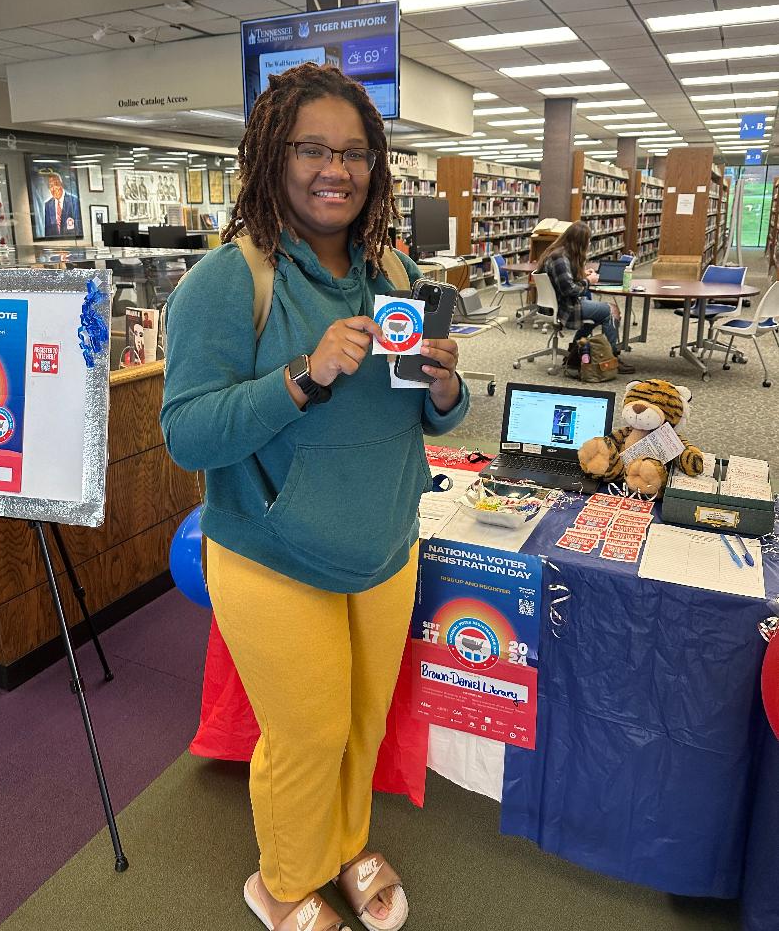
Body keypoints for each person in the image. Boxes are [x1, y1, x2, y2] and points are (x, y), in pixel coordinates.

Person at [161, 62, 469, 931]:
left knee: (362, 724)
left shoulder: (396, 269)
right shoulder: (230, 280)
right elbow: (186, 431)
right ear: (271, 158)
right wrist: (302, 375)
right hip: (271, 551)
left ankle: (344, 843)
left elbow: (428, 417)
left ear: (376, 166)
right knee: (307, 737)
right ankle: (285, 880)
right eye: (312, 150)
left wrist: (445, 391)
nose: (335, 169)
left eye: (355, 152)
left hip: (384, 543)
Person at [536, 220, 635, 375]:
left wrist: (582, 275)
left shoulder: (559, 253)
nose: (589, 243)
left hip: (562, 304)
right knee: (610, 310)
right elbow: (569, 290)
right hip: (567, 307)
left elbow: (565, 282)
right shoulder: (559, 258)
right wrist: (588, 281)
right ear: (579, 242)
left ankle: (575, 351)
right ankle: (612, 358)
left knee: (600, 313)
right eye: (588, 240)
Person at [42, 173, 82, 238]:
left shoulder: (74, 201)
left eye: (56, 184)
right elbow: (47, 231)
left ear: (61, 184)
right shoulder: (47, 205)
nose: (54, 188)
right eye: (51, 186)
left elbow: (79, 228)